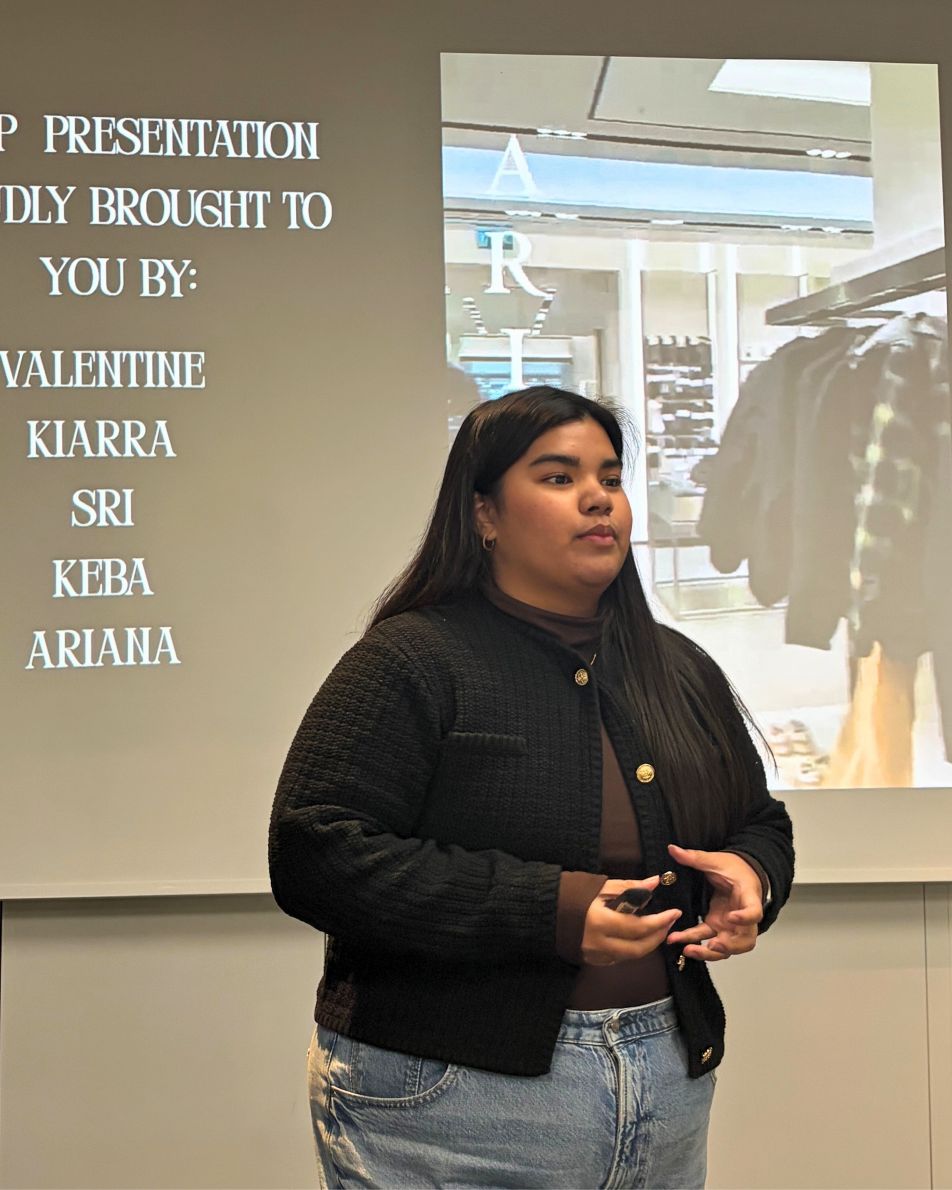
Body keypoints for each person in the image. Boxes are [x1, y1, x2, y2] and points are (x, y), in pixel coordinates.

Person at [269, 385, 795, 1189]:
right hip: (449, 1096)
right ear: (484, 514)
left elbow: (759, 820)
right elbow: (315, 853)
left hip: (664, 1076)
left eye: (610, 478)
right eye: (558, 477)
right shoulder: (411, 660)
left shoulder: (679, 666)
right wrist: (549, 910)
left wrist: (753, 875)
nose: (598, 498)